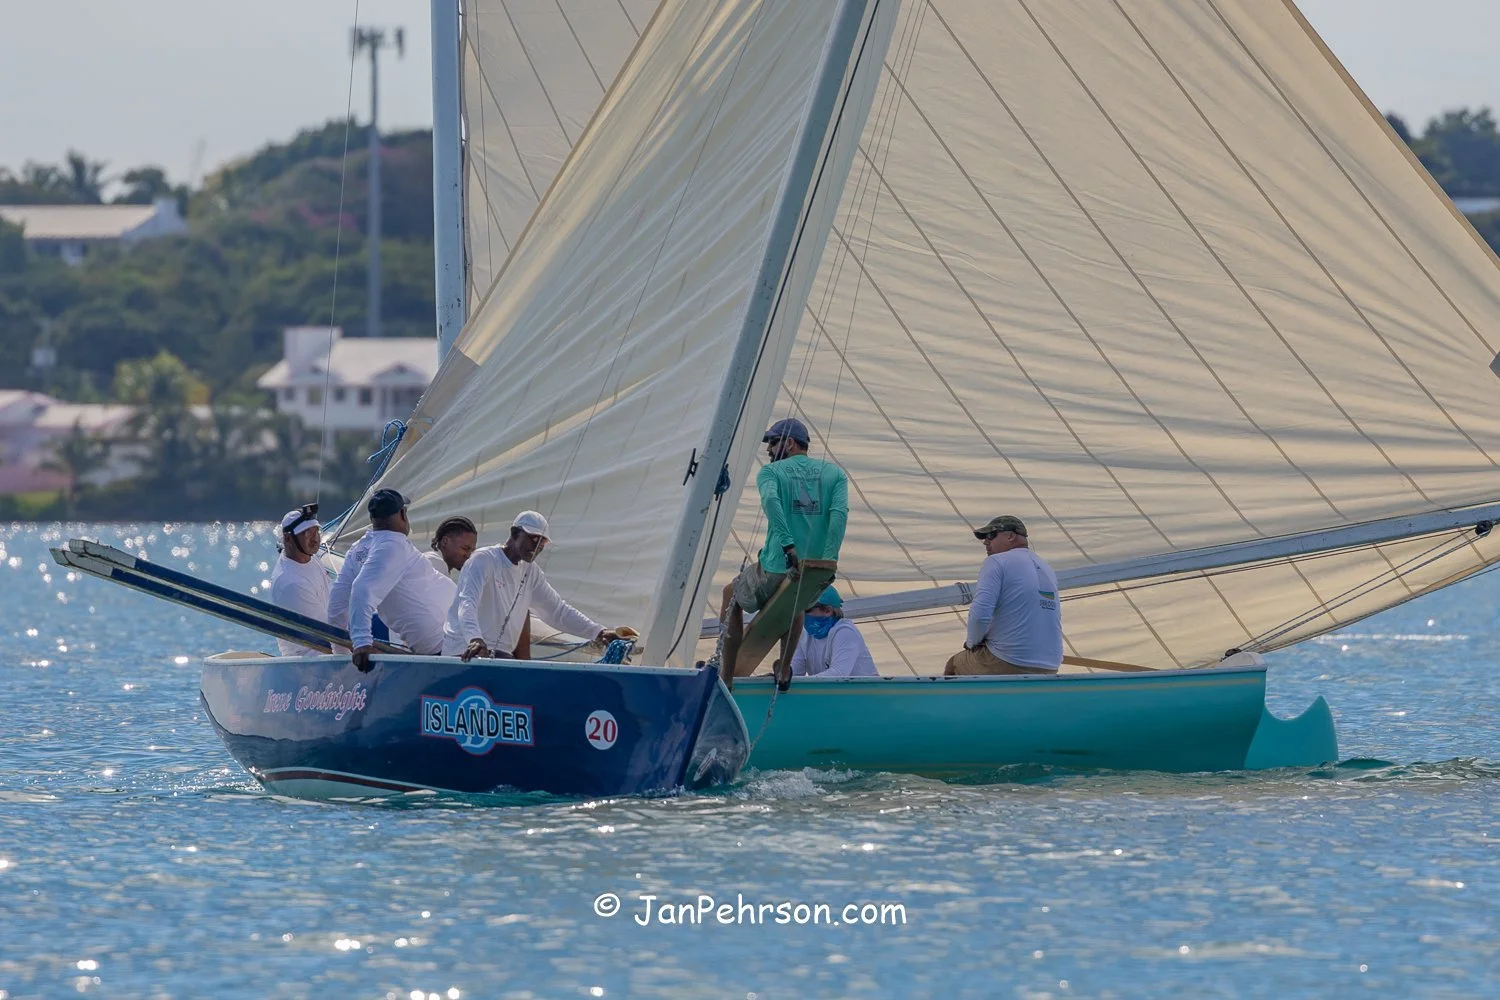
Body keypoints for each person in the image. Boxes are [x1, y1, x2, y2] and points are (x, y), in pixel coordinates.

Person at [720, 417, 848, 689]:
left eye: (773, 443)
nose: (768, 450)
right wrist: (828, 561)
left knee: (730, 594)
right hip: (816, 572)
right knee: (795, 599)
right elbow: (839, 517)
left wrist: (788, 546)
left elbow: (770, 501)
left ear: (789, 443)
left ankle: (725, 674)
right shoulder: (835, 475)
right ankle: (785, 666)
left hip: (777, 565)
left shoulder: (771, 473)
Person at [442, 510, 621, 661]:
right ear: (514, 534)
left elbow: (557, 611)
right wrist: (474, 638)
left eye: (542, 543)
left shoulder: (531, 572)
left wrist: (598, 632)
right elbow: (467, 602)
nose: (537, 548)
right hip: (465, 651)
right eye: (533, 540)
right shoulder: (483, 560)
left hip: (498, 655)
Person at [330, 489, 457, 669]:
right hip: (449, 641)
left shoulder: (358, 549)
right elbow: (362, 589)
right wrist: (361, 642)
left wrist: (339, 654)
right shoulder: (393, 543)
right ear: (403, 514)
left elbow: (337, 604)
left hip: (441, 643)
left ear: (373, 519)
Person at [945, 515, 1063, 676]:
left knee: (954, 665)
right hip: (1050, 665)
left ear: (1010, 536)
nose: (986, 542)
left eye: (991, 535)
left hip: (1009, 660)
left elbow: (980, 616)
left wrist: (972, 643)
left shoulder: (996, 561)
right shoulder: (1046, 567)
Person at [269, 503, 333, 657]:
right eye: (306, 533)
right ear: (288, 539)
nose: (314, 539)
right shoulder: (291, 584)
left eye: (316, 531)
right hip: (310, 660)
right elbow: (330, 634)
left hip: (331, 647)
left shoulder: (311, 558)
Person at [787, 586, 877, 678]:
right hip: (833, 692)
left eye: (807, 610)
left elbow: (838, 674)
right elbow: (794, 674)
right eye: (799, 610)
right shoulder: (804, 635)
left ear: (828, 610)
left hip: (863, 691)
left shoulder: (845, 632)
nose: (802, 615)